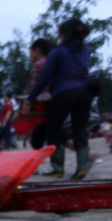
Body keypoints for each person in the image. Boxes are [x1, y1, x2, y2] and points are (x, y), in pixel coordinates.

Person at [28, 19, 94, 179]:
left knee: (54, 130)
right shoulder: (86, 49)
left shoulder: (57, 52)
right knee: (80, 130)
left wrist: (31, 98)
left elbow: (44, 78)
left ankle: (58, 169)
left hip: (63, 93)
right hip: (85, 92)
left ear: (63, 34)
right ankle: (81, 168)